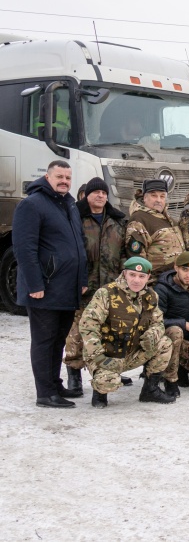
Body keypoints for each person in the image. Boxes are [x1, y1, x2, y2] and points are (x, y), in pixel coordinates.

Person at [13, 160, 89, 408]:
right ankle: (45, 393)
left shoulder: (68, 204)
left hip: (67, 287)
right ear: (47, 177)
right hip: (44, 288)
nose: (64, 181)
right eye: (59, 176)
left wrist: (82, 280)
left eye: (68, 177)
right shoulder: (32, 205)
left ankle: (55, 384)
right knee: (45, 341)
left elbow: (78, 245)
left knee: (59, 340)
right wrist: (35, 284)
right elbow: (24, 249)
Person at [63, 177, 129, 397]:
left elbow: (124, 253)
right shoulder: (76, 218)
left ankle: (111, 369)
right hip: (84, 285)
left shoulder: (117, 220)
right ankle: (73, 372)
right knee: (78, 331)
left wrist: (123, 280)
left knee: (110, 330)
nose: (100, 196)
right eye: (96, 192)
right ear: (87, 195)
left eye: (103, 193)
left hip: (111, 286)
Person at [79, 256, 175, 408]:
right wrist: (98, 357)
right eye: (132, 275)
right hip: (107, 355)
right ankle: (99, 394)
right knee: (108, 382)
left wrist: (153, 334)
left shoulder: (151, 296)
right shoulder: (106, 293)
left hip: (132, 353)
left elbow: (159, 323)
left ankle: (150, 390)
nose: (136, 280)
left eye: (141, 276)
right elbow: (88, 325)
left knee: (165, 343)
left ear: (148, 277)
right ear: (124, 274)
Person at [155, 251, 189, 398]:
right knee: (176, 331)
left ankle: (184, 367)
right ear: (176, 267)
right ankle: (169, 379)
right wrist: (184, 324)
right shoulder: (163, 288)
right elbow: (156, 321)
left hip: (188, 338)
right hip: (166, 338)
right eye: (185, 269)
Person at [125, 179, 185, 284]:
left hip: (175, 282)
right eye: (154, 195)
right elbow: (137, 259)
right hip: (157, 284)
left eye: (162, 196)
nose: (158, 200)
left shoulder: (169, 219)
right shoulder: (139, 219)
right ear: (144, 198)